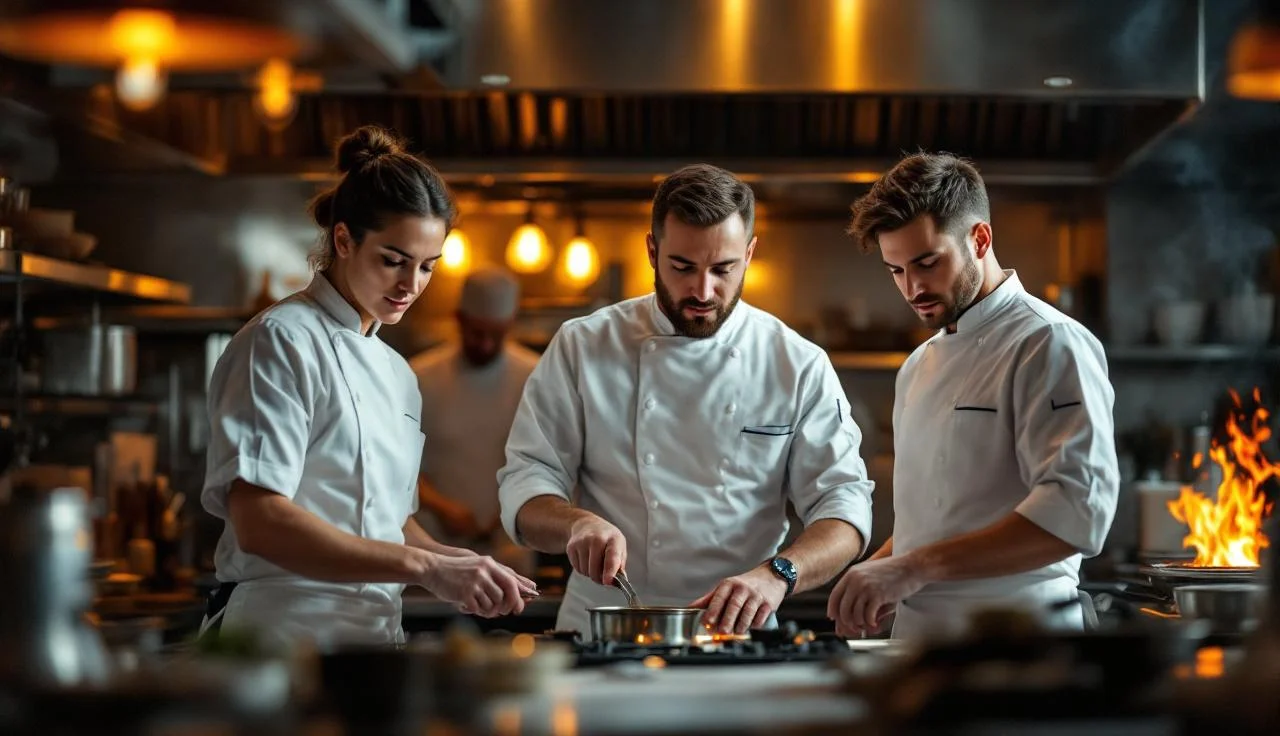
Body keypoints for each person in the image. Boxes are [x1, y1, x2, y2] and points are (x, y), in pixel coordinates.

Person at [498, 164, 875, 636]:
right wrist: (575, 525)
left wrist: (778, 575)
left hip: (740, 631)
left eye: (723, 269)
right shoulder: (583, 345)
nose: (702, 291)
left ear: (751, 253)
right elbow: (527, 482)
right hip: (607, 626)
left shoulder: (796, 363)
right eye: (683, 267)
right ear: (652, 250)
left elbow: (843, 507)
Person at [198, 126, 536, 649]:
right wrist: (425, 566)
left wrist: (456, 562)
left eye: (427, 267)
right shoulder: (280, 341)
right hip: (279, 632)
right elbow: (259, 521)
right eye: (393, 260)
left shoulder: (397, 372)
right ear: (343, 240)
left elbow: (386, 522)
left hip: (373, 638)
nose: (411, 285)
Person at [828, 152, 1119, 641]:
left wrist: (911, 569)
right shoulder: (918, 365)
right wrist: (877, 574)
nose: (913, 287)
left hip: (1021, 646)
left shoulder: (1048, 342)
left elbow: (1077, 512)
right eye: (895, 271)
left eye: (927, 262)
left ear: (979, 239)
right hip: (918, 647)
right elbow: (939, 517)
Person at [410, 267, 539, 570]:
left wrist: (518, 506)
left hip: (511, 553)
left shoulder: (536, 377)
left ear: (511, 323)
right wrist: (443, 508)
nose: (485, 344)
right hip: (434, 551)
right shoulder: (418, 377)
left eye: (496, 334)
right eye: (476, 332)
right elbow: (397, 466)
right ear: (459, 319)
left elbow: (552, 459)